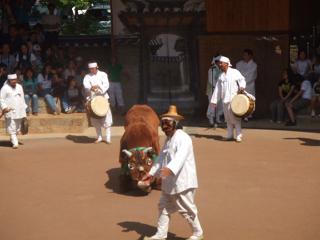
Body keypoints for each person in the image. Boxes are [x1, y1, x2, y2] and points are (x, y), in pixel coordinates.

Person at [142, 105, 204, 240]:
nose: (164, 127)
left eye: (167, 123)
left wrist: (169, 169)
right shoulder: (168, 139)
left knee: (187, 209)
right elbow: (160, 158)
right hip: (169, 182)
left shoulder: (184, 138)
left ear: (175, 124)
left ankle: (198, 233)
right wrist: (151, 173)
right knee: (163, 206)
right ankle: (160, 234)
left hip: (183, 182)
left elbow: (180, 158)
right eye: (163, 124)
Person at [210, 56, 246, 142]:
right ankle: (230, 135)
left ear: (226, 64)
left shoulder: (235, 72)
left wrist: (242, 87)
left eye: (221, 63)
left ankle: (239, 135)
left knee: (236, 118)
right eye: (219, 64)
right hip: (224, 100)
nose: (220, 65)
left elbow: (242, 80)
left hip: (234, 99)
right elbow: (217, 89)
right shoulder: (221, 76)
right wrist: (214, 101)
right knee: (228, 119)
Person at [83, 62, 113, 144]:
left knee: (106, 117)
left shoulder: (103, 74)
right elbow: (86, 86)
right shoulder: (87, 76)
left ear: (97, 67)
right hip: (92, 98)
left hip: (103, 98)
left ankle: (108, 138)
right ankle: (99, 137)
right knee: (95, 119)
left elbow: (106, 85)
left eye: (93, 68)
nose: (92, 70)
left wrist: (99, 87)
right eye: (90, 69)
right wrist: (91, 88)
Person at [0, 73, 27, 149]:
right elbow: (1, 99)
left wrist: (24, 109)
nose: (14, 81)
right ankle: (15, 143)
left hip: (19, 110)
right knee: (11, 126)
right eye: (12, 80)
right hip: (10, 110)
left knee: (17, 128)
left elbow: (22, 98)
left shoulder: (19, 87)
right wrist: (4, 107)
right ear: (9, 80)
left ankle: (13, 138)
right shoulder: (4, 88)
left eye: (15, 79)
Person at [236, 49, 257, 121]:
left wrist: (243, 81)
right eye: (243, 55)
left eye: (246, 55)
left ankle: (249, 115)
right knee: (241, 100)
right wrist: (240, 83)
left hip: (249, 85)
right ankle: (241, 114)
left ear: (250, 56)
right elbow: (238, 74)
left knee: (249, 100)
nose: (244, 56)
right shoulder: (239, 64)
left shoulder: (254, 65)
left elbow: (251, 76)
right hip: (240, 85)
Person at [206, 55, 223, 126]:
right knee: (212, 104)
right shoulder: (211, 69)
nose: (221, 63)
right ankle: (211, 119)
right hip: (213, 89)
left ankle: (218, 118)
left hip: (220, 89)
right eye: (220, 62)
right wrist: (216, 86)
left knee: (219, 104)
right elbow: (211, 80)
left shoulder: (221, 69)